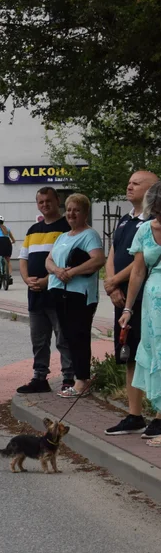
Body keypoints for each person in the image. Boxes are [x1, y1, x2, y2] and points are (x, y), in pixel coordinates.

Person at [105, 171, 160, 436]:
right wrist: (111, 284)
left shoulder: (153, 221)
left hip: (148, 301)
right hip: (125, 298)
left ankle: (158, 414)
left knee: (155, 354)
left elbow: (141, 264)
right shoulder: (125, 220)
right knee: (130, 356)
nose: (129, 186)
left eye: (136, 183)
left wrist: (115, 280)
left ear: (152, 190)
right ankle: (134, 414)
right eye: (129, 181)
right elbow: (114, 252)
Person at [46, 193, 105, 398]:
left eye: (76, 210)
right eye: (69, 209)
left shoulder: (89, 235)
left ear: (85, 213)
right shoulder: (63, 236)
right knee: (68, 338)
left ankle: (82, 380)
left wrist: (70, 272)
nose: (71, 214)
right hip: (60, 292)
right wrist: (57, 271)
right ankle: (77, 377)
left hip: (80, 295)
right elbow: (49, 260)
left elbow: (98, 260)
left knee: (79, 337)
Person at [16, 187, 74, 393]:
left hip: (58, 293)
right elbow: (23, 258)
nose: (45, 205)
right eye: (41, 202)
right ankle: (40, 377)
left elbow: (69, 261)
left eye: (48, 201)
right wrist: (26, 280)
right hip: (35, 295)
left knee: (63, 337)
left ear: (57, 200)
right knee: (39, 340)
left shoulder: (67, 227)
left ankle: (69, 377)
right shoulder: (33, 230)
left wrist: (46, 281)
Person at [119, 181, 161, 445]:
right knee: (155, 352)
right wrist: (127, 308)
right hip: (152, 304)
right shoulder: (145, 230)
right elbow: (138, 271)